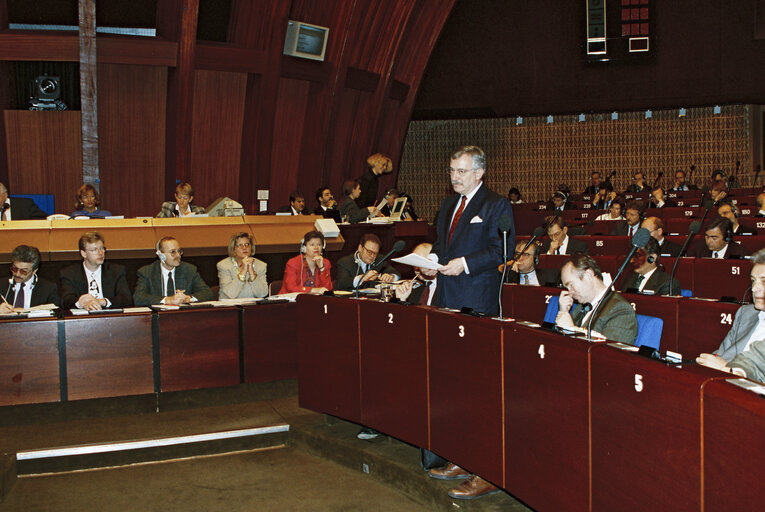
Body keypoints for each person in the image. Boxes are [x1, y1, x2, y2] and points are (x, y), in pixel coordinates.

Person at [420, 145, 513, 500]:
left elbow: (502, 250)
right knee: (454, 387)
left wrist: (465, 263)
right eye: (452, 170)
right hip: (446, 301)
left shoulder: (496, 205)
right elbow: (444, 247)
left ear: (479, 173)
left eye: (461, 171)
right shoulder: (447, 205)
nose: (454, 177)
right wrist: (430, 259)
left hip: (476, 304)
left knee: (478, 390)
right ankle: (461, 458)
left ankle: (485, 470)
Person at [697, 248, 765, 381]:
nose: (754, 288)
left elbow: (755, 362)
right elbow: (722, 353)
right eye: (753, 281)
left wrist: (729, 369)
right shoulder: (746, 313)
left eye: (764, 281)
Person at [556, 254, 638, 344]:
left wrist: (571, 330)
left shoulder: (620, 310)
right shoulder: (581, 306)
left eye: (571, 285)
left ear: (588, 275)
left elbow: (608, 354)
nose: (569, 292)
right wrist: (563, 312)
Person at [60, 232, 132, 310]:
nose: (100, 253)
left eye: (102, 248)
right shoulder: (70, 273)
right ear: (83, 253)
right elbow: (65, 300)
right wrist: (81, 302)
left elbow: (126, 299)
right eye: (94, 250)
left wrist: (102, 301)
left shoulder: (116, 271)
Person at [133, 237, 214, 306]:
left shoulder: (189, 270)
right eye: (173, 252)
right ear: (161, 255)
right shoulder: (147, 272)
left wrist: (188, 299)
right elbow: (138, 298)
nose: (178, 255)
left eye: (179, 251)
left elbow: (207, 293)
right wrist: (168, 300)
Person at [0, 245, 59, 313]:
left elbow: (55, 313)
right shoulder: (1, 285)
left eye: (23, 271)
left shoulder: (48, 288)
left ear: (34, 271)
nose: (17, 274)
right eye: (14, 269)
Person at [217, 232, 268, 299]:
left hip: (252, 307)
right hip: (230, 306)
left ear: (251, 247)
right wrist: (243, 271)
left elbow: (262, 294)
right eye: (240, 245)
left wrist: (252, 273)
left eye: (247, 244)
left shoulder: (261, 265)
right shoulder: (224, 265)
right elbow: (230, 294)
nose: (244, 248)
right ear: (234, 249)